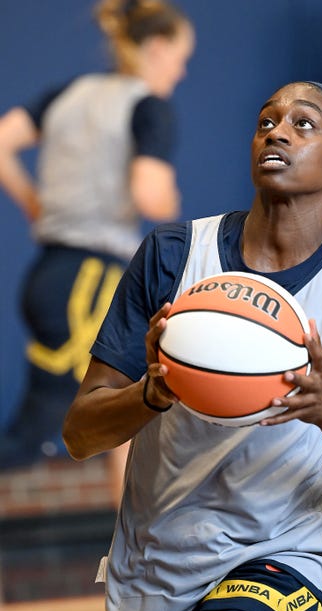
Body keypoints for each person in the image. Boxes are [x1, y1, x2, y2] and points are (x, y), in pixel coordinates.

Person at [62, 80, 322, 611]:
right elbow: (79, 433)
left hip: (280, 551)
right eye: (267, 120)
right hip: (156, 566)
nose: (278, 131)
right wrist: (151, 394)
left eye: (304, 124)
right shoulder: (173, 255)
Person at [0, 0, 195, 504]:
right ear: (156, 48)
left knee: (120, 416)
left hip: (55, 271)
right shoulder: (148, 106)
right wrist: (170, 195)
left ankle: (130, 548)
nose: (182, 69)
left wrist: (33, 203)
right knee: (35, 435)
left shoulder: (70, 93)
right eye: (180, 56)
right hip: (91, 279)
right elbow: (152, 194)